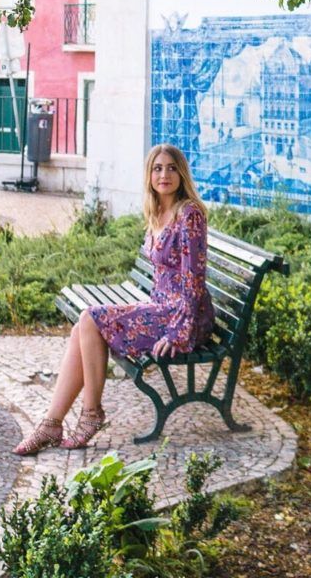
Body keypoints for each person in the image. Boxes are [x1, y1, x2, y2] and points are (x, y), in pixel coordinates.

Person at [13, 143, 214, 455]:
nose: (164, 175)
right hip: (161, 309)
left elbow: (193, 281)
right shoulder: (158, 211)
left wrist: (177, 332)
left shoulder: (189, 215)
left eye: (171, 168)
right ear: (149, 175)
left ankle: (91, 415)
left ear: (181, 173)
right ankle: (52, 424)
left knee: (90, 318)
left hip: (182, 318)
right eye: (157, 168)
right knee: (83, 328)